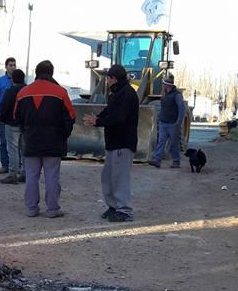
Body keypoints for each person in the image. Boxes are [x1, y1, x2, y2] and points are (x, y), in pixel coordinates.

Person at [15, 59, 75, 218]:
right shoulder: (60, 92)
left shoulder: (23, 93)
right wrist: (64, 134)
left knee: (31, 177)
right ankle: (52, 209)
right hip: (54, 142)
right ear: (51, 73)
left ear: (36, 72)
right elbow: (70, 116)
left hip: (30, 141)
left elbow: (16, 116)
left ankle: (31, 209)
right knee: (52, 176)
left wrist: (25, 131)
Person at [82, 64, 139, 222]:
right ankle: (114, 206)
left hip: (123, 142)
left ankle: (125, 210)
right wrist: (97, 119)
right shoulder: (117, 93)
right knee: (108, 177)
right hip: (114, 142)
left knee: (120, 178)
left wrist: (98, 121)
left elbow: (118, 117)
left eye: (107, 77)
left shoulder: (126, 94)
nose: (106, 80)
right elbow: (110, 112)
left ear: (114, 78)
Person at [149, 73, 187, 169]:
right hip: (164, 122)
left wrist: (178, 122)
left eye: (164, 84)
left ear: (168, 85)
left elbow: (181, 109)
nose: (163, 86)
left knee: (174, 143)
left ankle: (176, 161)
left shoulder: (177, 95)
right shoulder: (165, 95)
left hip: (173, 124)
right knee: (161, 141)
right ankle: (157, 160)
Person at [0, 68, 27, 184]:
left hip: (11, 124)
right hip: (25, 125)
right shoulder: (28, 91)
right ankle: (25, 173)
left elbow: (3, 109)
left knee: (13, 150)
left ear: (12, 79)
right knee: (24, 149)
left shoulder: (10, 91)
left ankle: (13, 174)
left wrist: (4, 120)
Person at [0, 56, 17, 174]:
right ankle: (4, 165)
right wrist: (2, 107)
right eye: (10, 65)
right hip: (4, 117)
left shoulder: (20, 81)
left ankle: (17, 166)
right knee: (4, 142)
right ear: (6, 67)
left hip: (17, 116)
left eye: (14, 65)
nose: (12, 67)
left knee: (18, 142)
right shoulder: (0, 81)